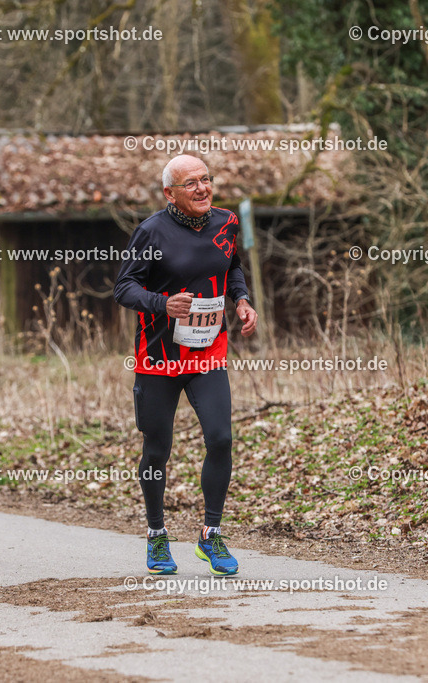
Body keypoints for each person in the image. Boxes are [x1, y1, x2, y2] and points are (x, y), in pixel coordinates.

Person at [114, 154, 257, 576]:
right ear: (169, 193)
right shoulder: (151, 231)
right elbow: (123, 287)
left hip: (207, 352)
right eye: (190, 183)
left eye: (206, 179)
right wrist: (163, 304)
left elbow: (231, 266)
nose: (202, 188)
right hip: (159, 356)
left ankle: (210, 536)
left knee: (221, 438)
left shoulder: (226, 223)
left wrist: (242, 300)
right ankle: (157, 536)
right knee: (158, 449)